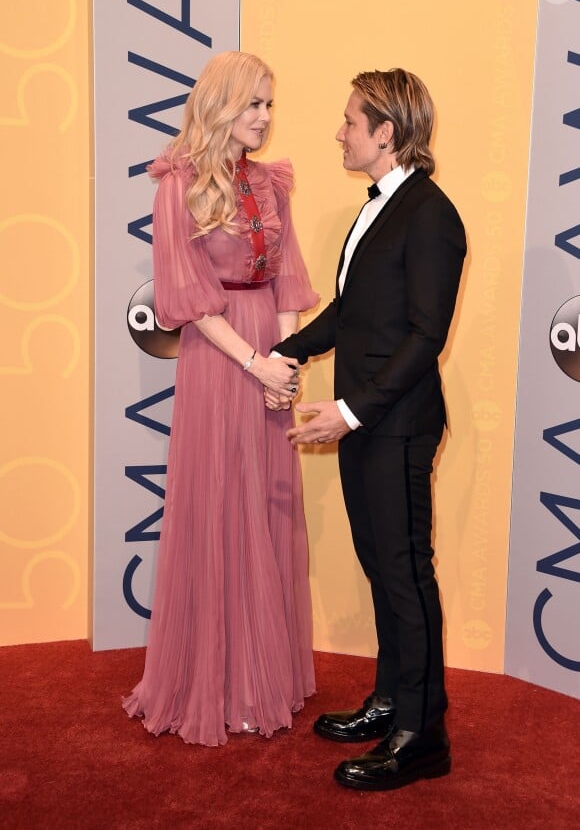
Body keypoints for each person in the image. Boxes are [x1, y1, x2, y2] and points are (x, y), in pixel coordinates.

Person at [270, 68, 466, 790]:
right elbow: (351, 313)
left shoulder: (431, 215)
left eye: (351, 121)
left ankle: (423, 734)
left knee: (407, 574)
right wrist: (283, 351)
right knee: (385, 569)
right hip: (365, 422)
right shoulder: (381, 207)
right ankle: (392, 700)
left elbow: (426, 336)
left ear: (387, 133)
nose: (340, 132)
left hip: (398, 424)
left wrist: (350, 411)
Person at [123, 51, 318, 747]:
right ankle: (213, 680)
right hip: (220, 357)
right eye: (253, 104)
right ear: (220, 105)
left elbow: (290, 279)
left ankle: (261, 677)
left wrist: (285, 360)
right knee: (217, 503)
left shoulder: (272, 183)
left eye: (269, 104)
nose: (264, 117)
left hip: (270, 351)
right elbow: (185, 297)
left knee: (264, 501)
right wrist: (256, 363)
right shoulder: (176, 185)